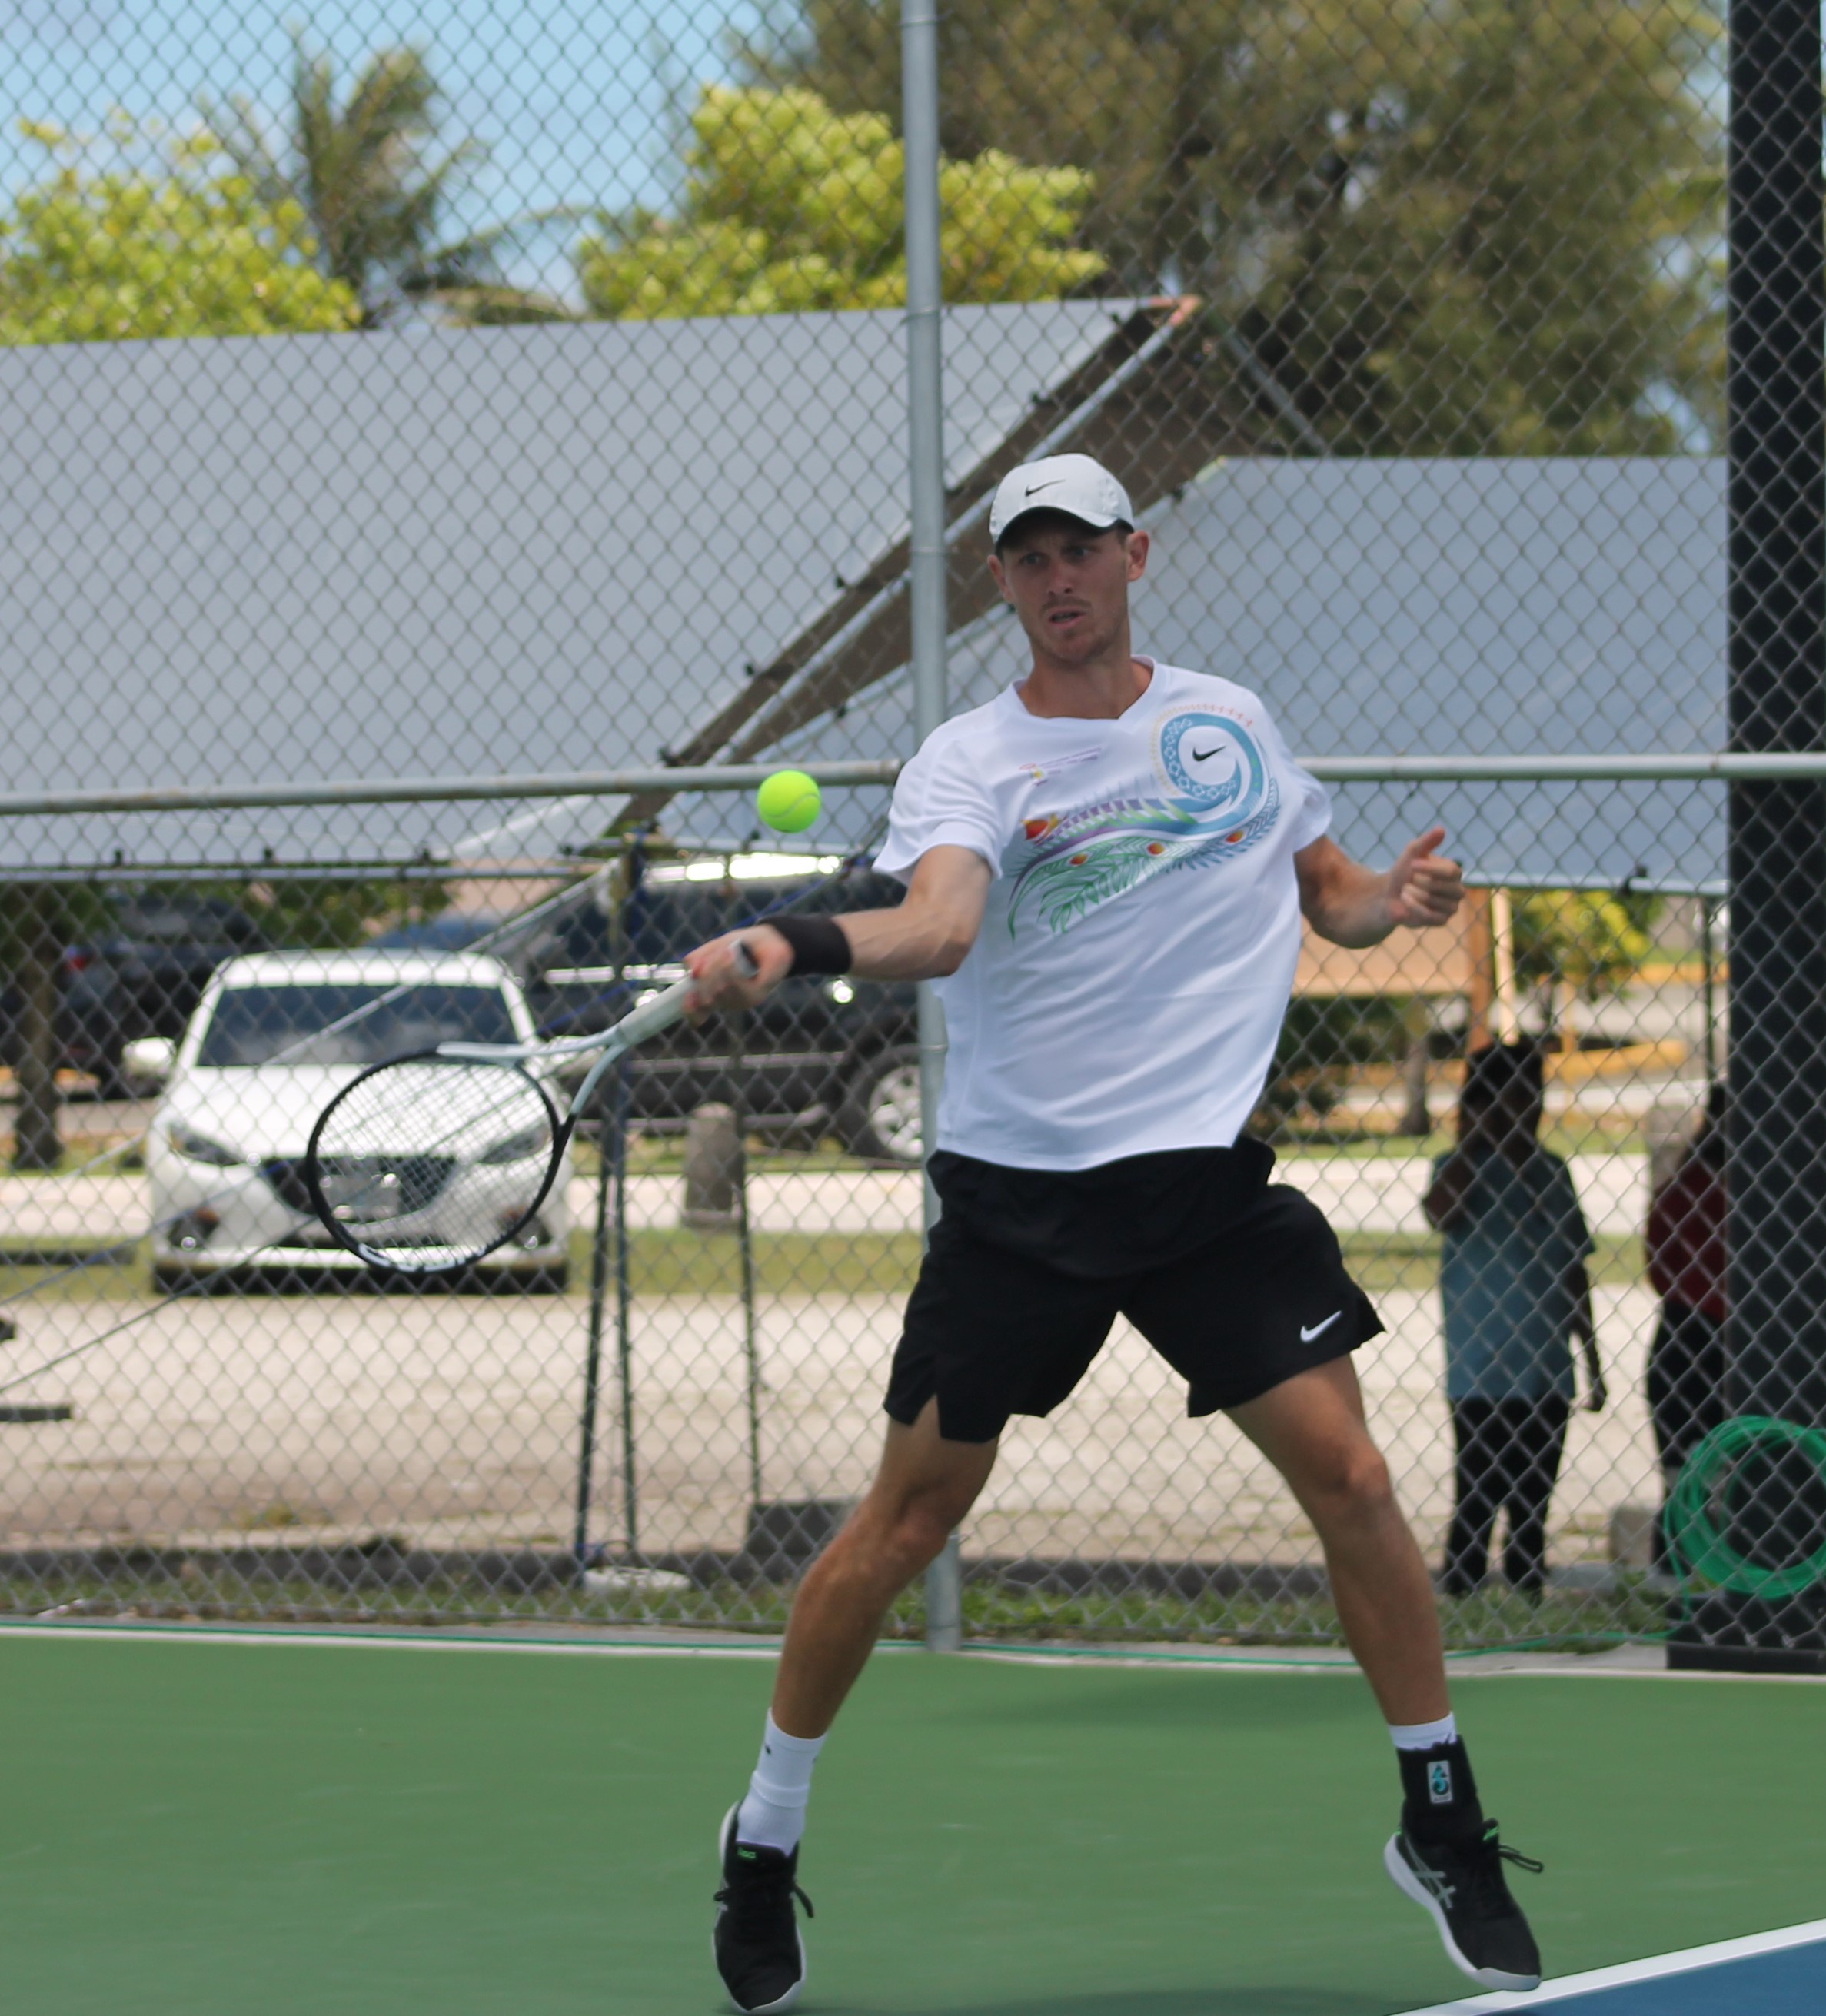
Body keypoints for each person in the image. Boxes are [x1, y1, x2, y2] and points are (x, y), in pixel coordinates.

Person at [680, 452, 1545, 2012]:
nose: (1056, 578)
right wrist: (787, 938)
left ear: (1133, 555)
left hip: (1203, 1196)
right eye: (1026, 559)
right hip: (1020, 1205)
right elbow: (938, 929)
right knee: (900, 1530)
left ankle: (1436, 1818)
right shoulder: (972, 756)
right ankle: (762, 1836)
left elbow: (1327, 894)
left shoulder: (1226, 721)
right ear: (1001, 583)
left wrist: (1393, 904)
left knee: (1351, 1476)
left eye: (1080, 548)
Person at [1424, 1043, 1602, 1599]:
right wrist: (1476, 1141)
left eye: (1529, 1096)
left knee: (1533, 1496)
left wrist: (1590, 1357)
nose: (1523, 1109)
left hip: (1544, 1365)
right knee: (1476, 1490)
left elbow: (1573, 1267)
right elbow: (1439, 1211)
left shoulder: (1551, 1171)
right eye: (1507, 1098)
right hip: (1479, 1366)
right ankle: (1462, 1589)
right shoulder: (1460, 1168)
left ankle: (1526, 1588)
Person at [1645, 1085, 1727, 1567]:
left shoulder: (1692, 1185)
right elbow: (1660, 1263)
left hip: (1694, 1329)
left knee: (1697, 1480)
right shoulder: (1691, 1187)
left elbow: (1659, 1265)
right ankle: (1677, 1576)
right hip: (1694, 1333)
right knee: (1686, 1479)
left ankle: (1686, 1575)